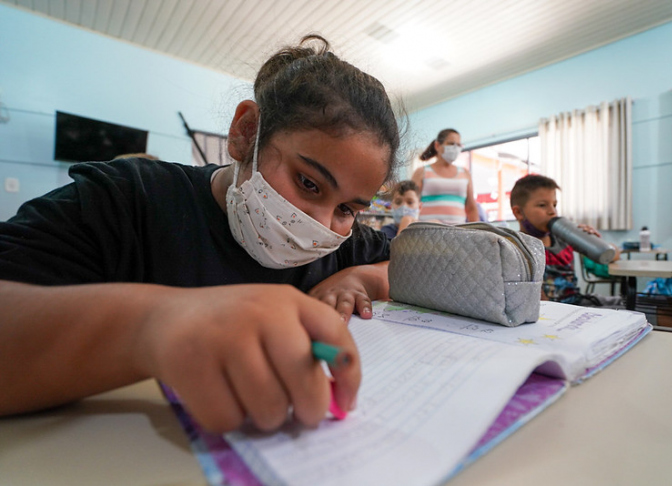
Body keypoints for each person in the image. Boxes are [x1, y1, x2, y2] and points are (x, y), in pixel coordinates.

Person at [0, 35, 402, 434]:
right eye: (308, 183)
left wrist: (360, 276)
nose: (320, 223)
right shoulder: (128, 199)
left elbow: (410, 262)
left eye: (348, 209)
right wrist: (151, 328)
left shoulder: (344, 248)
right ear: (247, 133)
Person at [510, 174, 620, 306]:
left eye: (554, 205)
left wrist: (595, 242)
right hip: (548, 310)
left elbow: (613, 255)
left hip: (577, 303)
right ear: (518, 213)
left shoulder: (564, 238)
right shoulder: (516, 247)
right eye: (542, 205)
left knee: (628, 305)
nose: (552, 212)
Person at [411, 128, 479, 224]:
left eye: (458, 145)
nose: (455, 148)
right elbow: (411, 204)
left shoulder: (465, 173)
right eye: (451, 144)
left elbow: (471, 208)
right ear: (437, 145)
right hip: (428, 233)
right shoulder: (422, 172)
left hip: (458, 234)